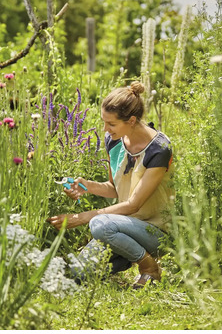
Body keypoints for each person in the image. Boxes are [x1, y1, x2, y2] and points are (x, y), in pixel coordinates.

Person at [47, 81, 174, 289]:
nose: (105, 129)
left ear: (131, 120)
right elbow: (115, 188)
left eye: (111, 124)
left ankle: (149, 266)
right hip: (119, 226)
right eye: (104, 122)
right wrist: (86, 185)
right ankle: (126, 254)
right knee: (78, 273)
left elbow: (133, 204)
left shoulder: (159, 149)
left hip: (155, 231)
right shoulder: (114, 141)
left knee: (99, 225)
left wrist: (81, 218)